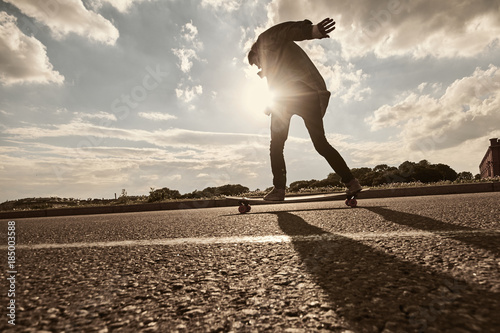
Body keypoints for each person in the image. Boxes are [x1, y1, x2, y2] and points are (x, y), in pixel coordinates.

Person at [248, 18, 361, 201]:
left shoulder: (265, 41)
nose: (260, 68)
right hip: (307, 95)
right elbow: (275, 84)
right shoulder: (273, 64)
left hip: (293, 95)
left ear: (254, 53)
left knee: (276, 145)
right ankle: (351, 181)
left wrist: (312, 31)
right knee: (320, 143)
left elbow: (285, 30)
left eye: (257, 63)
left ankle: (278, 190)